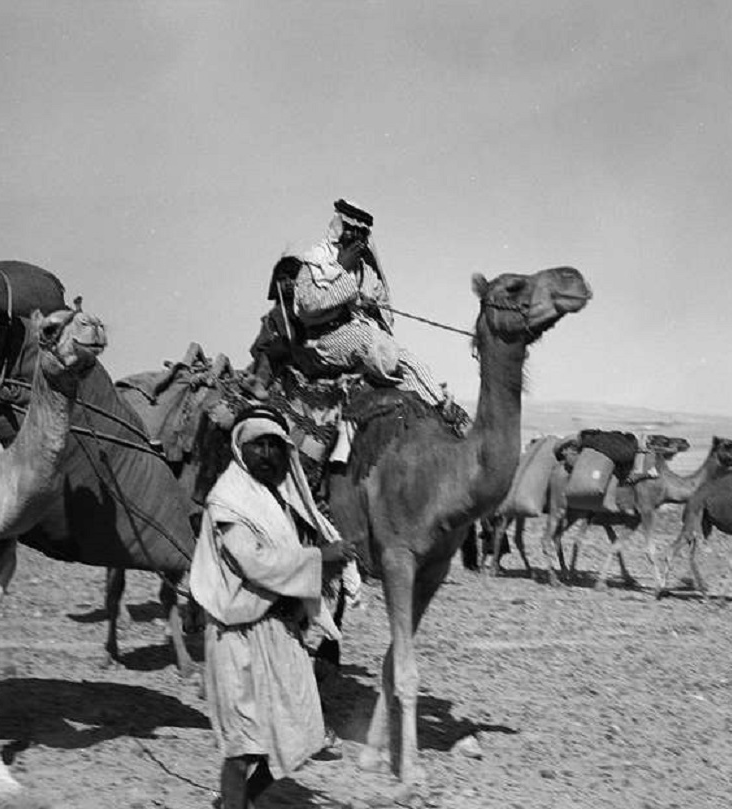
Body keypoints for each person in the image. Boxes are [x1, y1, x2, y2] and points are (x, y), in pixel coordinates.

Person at [189, 406, 354, 809]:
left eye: (274, 445)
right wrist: (320, 559)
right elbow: (255, 562)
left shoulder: (273, 500)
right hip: (238, 636)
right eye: (257, 445)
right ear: (240, 449)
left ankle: (237, 801)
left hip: (279, 632)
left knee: (300, 735)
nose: (266, 453)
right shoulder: (229, 502)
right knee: (243, 743)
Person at [290, 198, 445, 405]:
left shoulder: (369, 273)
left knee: (412, 363)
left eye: (361, 232)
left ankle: (440, 407)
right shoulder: (314, 263)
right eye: (350, 229)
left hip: (370, 339)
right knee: (374, 345)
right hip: (325, 340)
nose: (356, 237)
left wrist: (374, 311)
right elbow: (308, 306)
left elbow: (386, 317)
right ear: (338, 228)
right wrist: (342, 269)